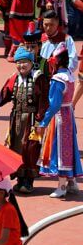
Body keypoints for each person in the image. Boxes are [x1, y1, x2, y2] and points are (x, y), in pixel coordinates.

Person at [0, 47, 49, 194]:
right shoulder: (14, 78)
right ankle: (20, 179)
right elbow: (4, 95)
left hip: (32, 120)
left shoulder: (38, 78)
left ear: (31, 63)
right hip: (16, 120)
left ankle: (28, 180)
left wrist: (40, 121)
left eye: (25, 62)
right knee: (16, 147)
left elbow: (43, 101)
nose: (21, 66)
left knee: (30, 148)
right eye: (19, 63)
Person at [36, 44, 83, 198]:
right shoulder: (69, 75)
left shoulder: (57, 79)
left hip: (60, 117)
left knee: (60, 149)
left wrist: (44, 122)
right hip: (68, 114)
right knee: (70, 147)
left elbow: (55, 104)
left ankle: (61, 186)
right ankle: (72, 182)